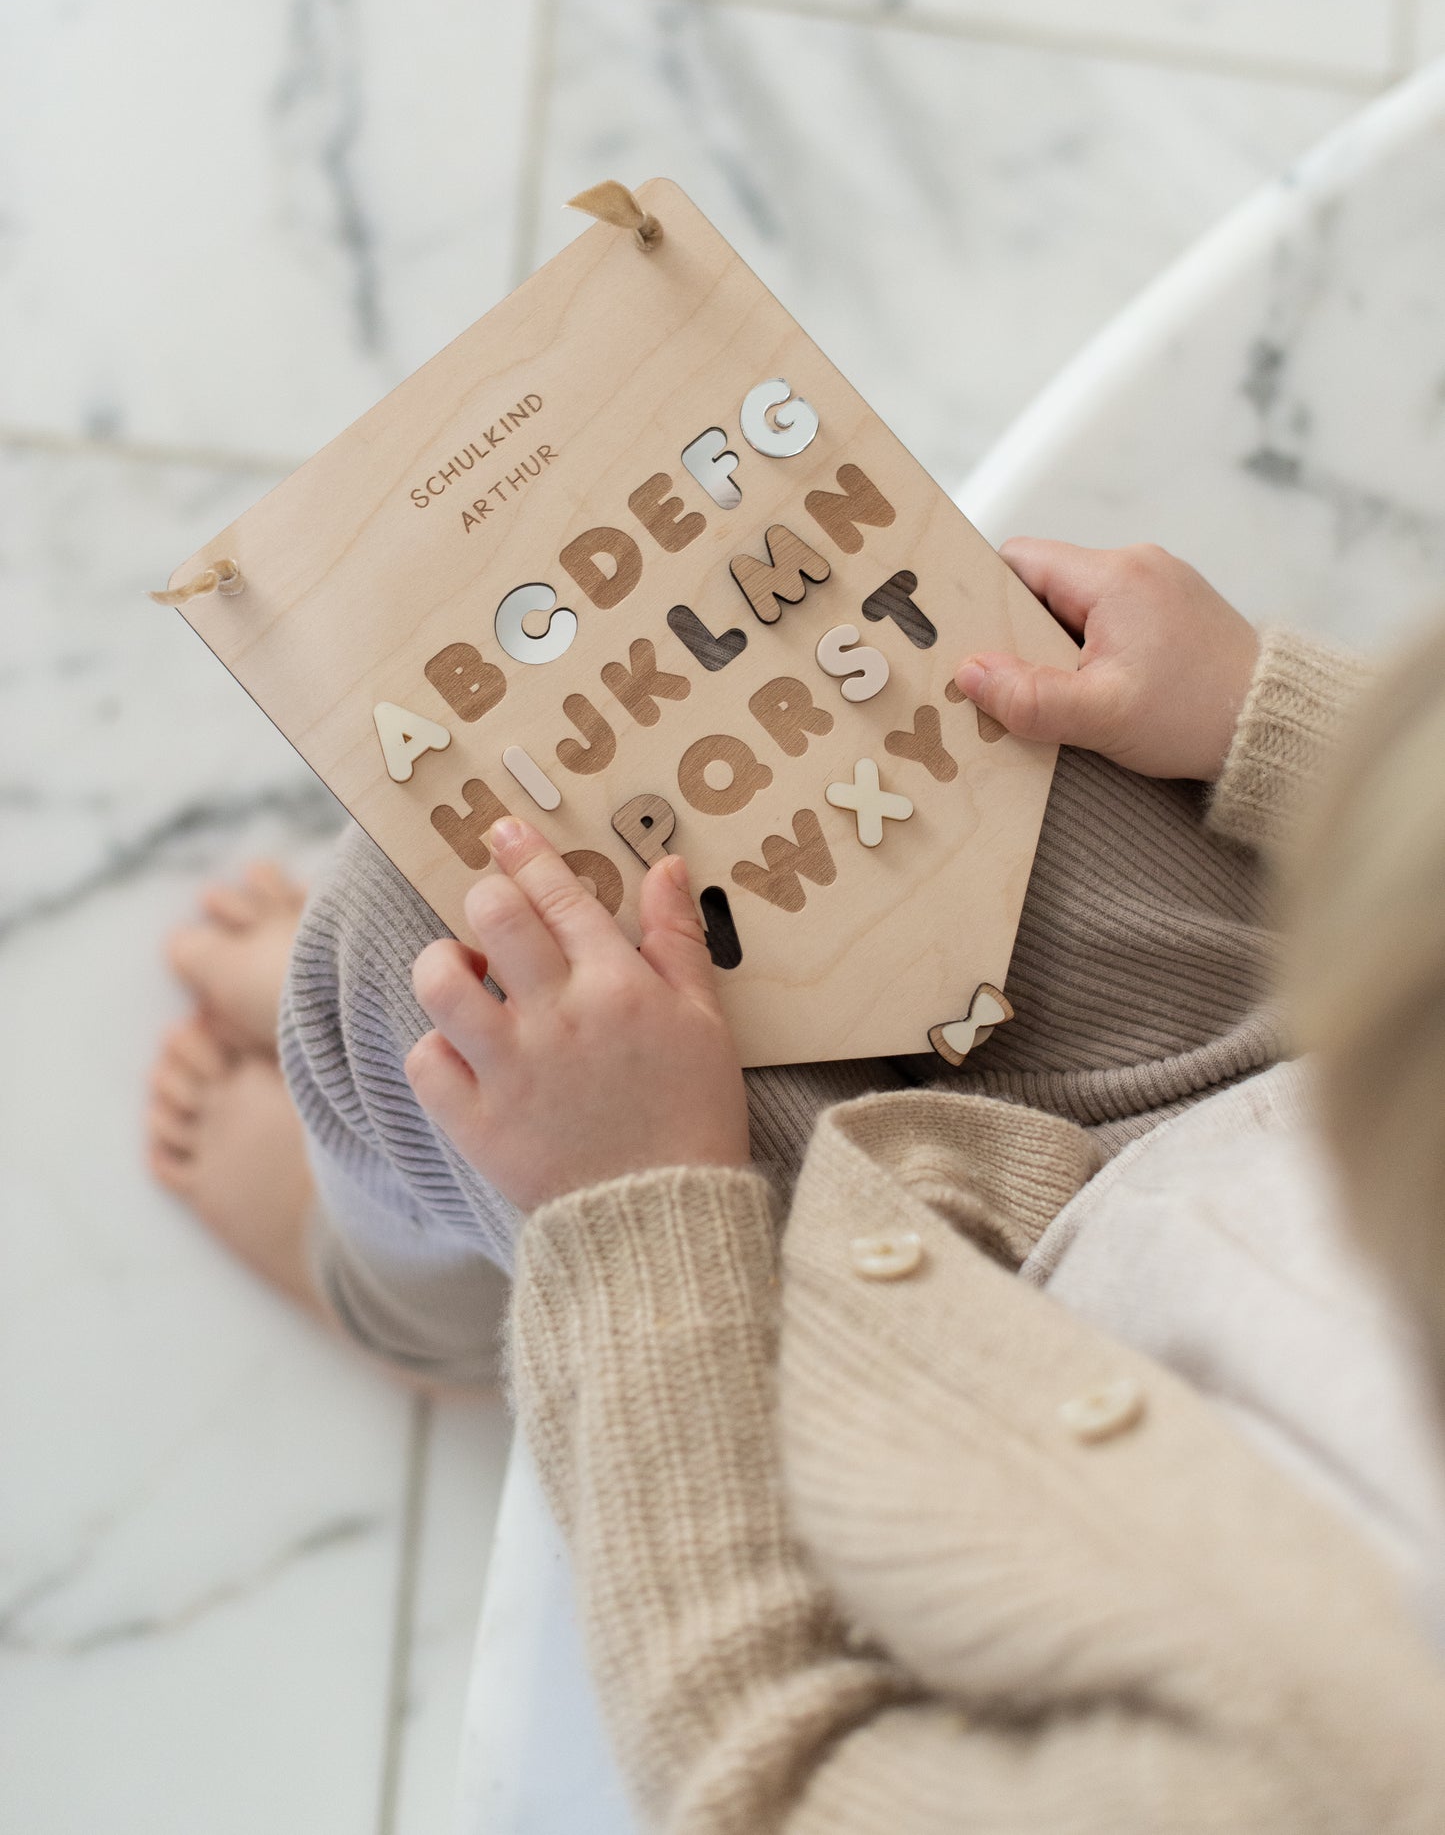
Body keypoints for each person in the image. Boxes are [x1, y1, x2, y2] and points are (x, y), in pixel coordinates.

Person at [145, 541, 1445, 1823]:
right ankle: (430, 1086)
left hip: (974, 1386)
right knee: (945, 680)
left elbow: (763, 1771)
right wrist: (1258, 710)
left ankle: (387, 1278)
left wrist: (633, 1202)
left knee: (416, 945)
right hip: (1284, 1066)